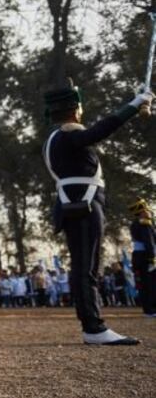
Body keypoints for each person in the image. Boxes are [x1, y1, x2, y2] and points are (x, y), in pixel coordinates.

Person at [41, 80, 152, 344]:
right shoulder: (67, 135)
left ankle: (93, 325)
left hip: (80, 204)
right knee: (86, 268)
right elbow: (101, 130)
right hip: (83, 205)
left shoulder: (60, 137)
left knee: (86, 267)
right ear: (75, 109)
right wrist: (134, 105)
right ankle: (93, 326)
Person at [128, 198, 156, 316]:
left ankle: (148, 309)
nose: (149, 212)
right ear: (142, 212)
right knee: (151, 283)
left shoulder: (136, 223)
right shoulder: (144, 223)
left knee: (145, 284)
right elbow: (148, 242)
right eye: (146, 210)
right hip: (146, 257)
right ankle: (151, 309)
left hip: (139, 256)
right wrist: (152, 258)